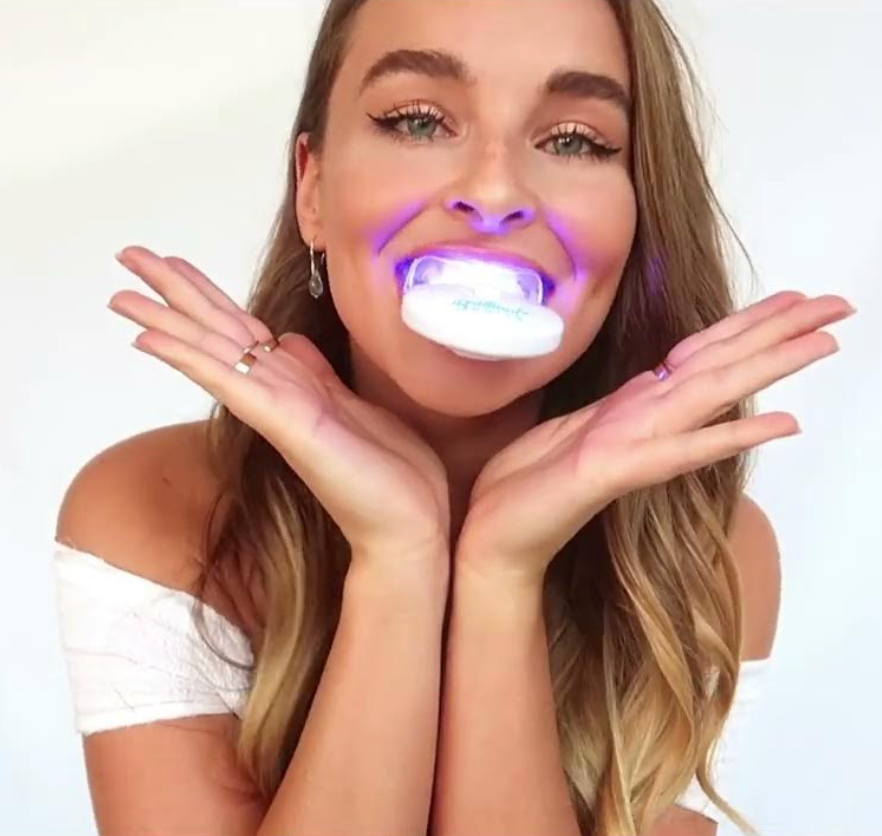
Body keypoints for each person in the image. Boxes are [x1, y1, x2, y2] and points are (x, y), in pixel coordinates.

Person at [53, 1, 855, 834]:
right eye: (418, 121)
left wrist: (499, 577)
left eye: (575, 140)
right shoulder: (153, 509)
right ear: (314, 189)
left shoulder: (705, 553)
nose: (496, 191)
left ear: (639, 212)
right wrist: (399, 560)